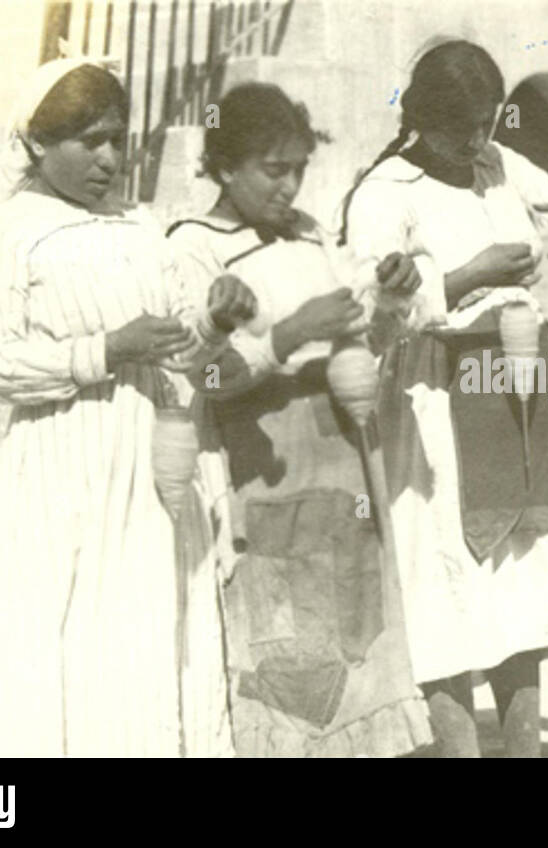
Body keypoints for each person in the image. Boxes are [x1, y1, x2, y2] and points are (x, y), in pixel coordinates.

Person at [342, 37, 548, 758]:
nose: (480, 139)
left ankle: (522, 749)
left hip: (522, 384)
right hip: (441, 395)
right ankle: (458, 748)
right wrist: (462, 277)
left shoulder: (497, 165)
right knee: (450, 582)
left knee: (524, 573)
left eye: (490, 122)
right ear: (423, 117)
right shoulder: (387, 193)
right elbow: (368, 312)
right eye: (466, 126)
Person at [0, 59, 255, 755]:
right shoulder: (5, 233)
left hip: (152, 468)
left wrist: (213, 322)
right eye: (88, 142)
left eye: (118, 140)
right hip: (67, 465)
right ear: (37, 143)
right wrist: (104, 350)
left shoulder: (139, 227)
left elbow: (181, 346)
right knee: (70, 639)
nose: (109, 159)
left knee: (147, 632)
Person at [167, 83, 433, 757]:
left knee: (359, 644)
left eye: (299, 169)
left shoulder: (313, 235)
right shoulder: (195, 247)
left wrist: (390, 299)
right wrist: (287, 336)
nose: (290, 186)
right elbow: (202, 376)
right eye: (273, 169)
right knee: (291, 669)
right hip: (268, 473)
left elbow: (362, 342)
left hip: (346, 461)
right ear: (225, 166)